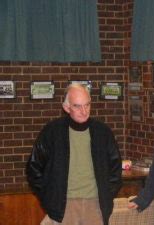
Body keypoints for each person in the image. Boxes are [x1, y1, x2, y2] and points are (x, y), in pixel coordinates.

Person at [26, 83, 122, 225]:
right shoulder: (52, 132)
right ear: (66, 107)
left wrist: (106, 195)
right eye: (77, 106)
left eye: (87, 105)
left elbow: (115, 169)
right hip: (64, 207)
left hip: (95, 205)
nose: (84, 111)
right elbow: (33, 168)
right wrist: (50, 197)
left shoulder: (103, 132)